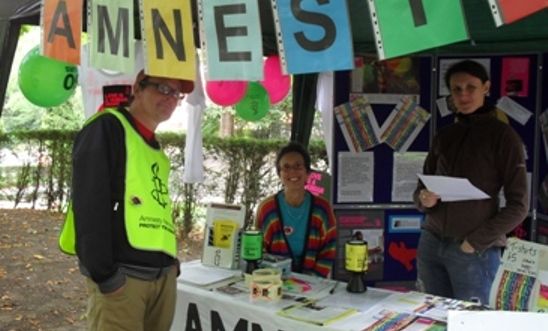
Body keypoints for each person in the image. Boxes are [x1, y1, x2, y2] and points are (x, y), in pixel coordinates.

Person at [59, 69, 194, 331]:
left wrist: (170, 265)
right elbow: (89, 204)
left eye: (176, 94)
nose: (171, 98)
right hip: (125, 279)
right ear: (138, 88)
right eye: (163, 88)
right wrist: (105, 275)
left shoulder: (154, 147)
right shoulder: (107, 127)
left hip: (160, 276)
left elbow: (154, 207)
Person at [413, 60, 528, 304]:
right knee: (431, 318)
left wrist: (473, 243)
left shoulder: (504, 137)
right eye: (456, 89)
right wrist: (424, 199)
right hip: (432, 242)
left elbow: (519, 206)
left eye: (471, 87)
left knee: (474, 324)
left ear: (486, 88)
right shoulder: (445, 136)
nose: (463, 95)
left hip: (474, 250)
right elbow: (422, 188)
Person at [255, 142, 337, 278]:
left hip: (313, 284)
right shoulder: (267, 208)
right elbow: (259, 248)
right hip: (274, 280)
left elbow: (329, 249)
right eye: (286, 167)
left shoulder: (322, 209)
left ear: (307, 172)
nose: (292, 171)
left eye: (298, 166)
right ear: (279, 174)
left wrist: (312, 280)